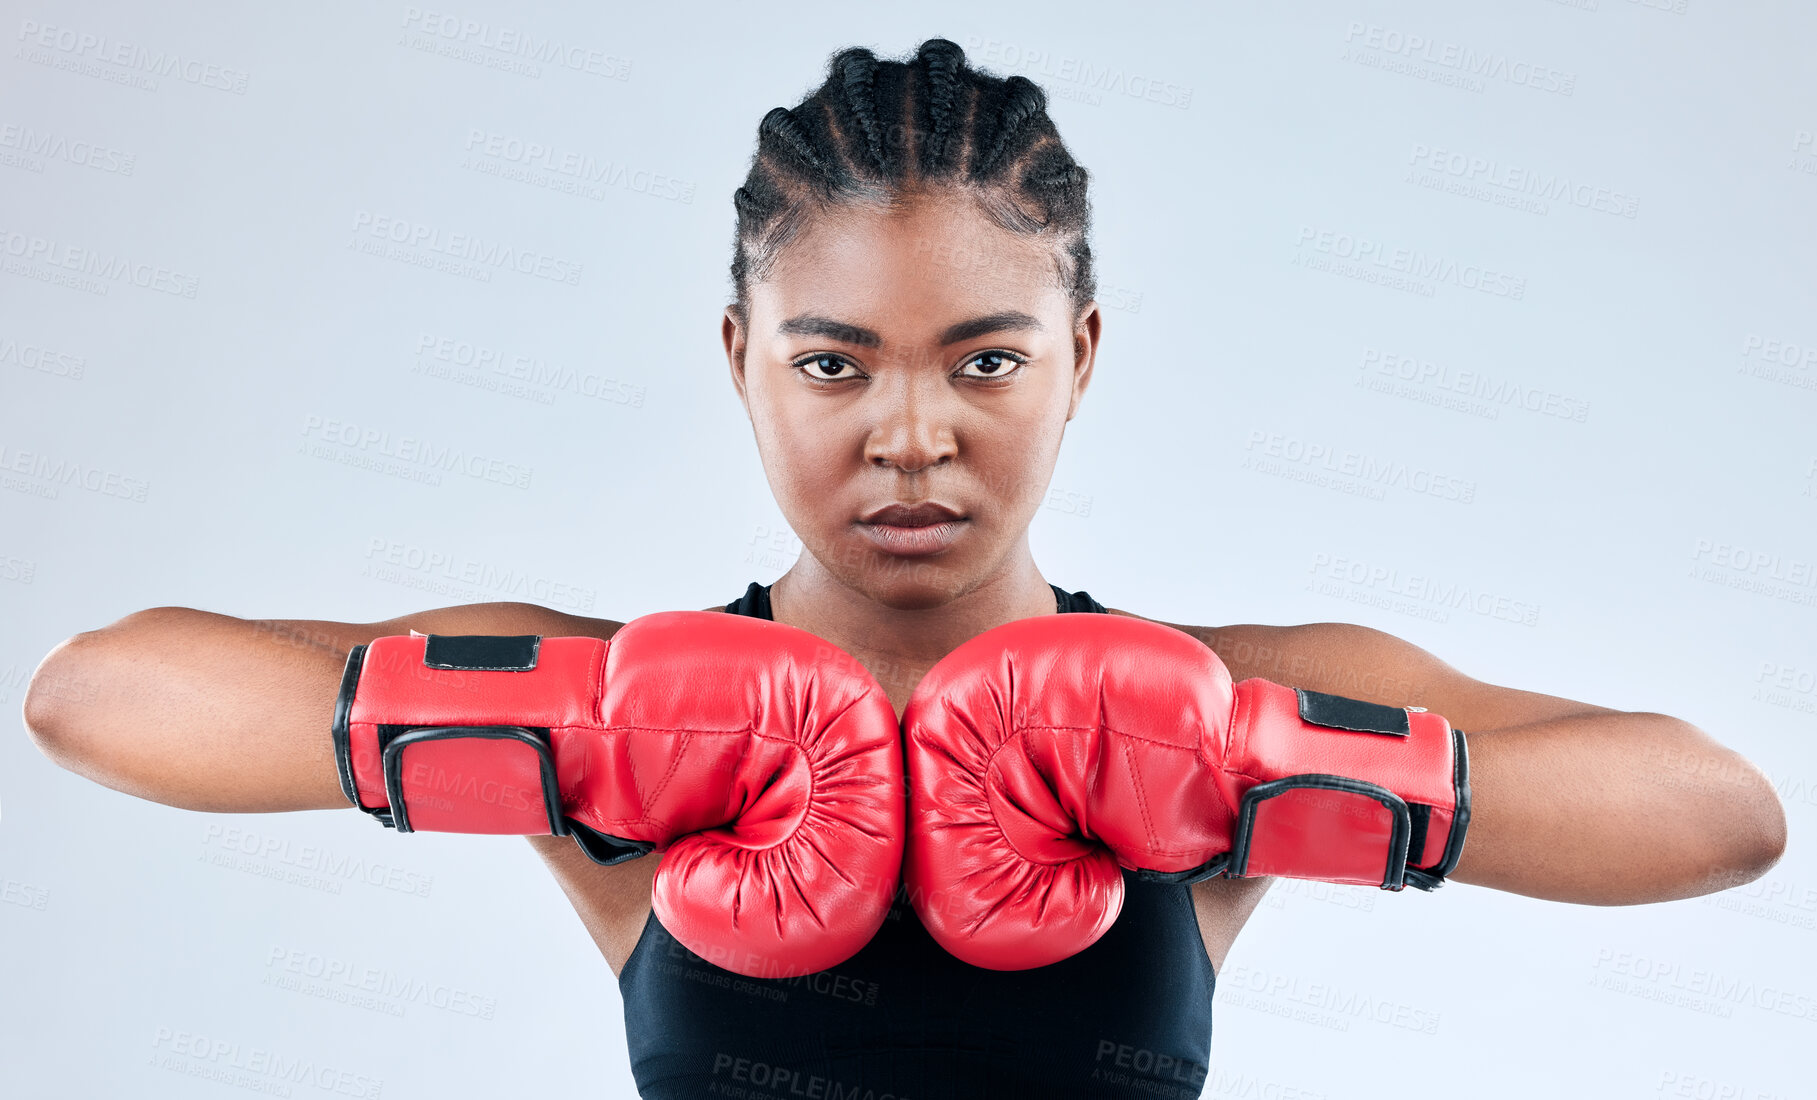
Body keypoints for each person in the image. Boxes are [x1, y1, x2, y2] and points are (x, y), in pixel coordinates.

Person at [21, 37, 1788, 1100]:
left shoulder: (1217, 694)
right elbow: (96, 694)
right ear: (738, 357)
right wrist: (588, 730)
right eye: (834, 359)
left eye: (987, 359)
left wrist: (1250, 760)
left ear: (1083, 356)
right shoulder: (616, 697)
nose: (912, 433)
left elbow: (1717, 814)